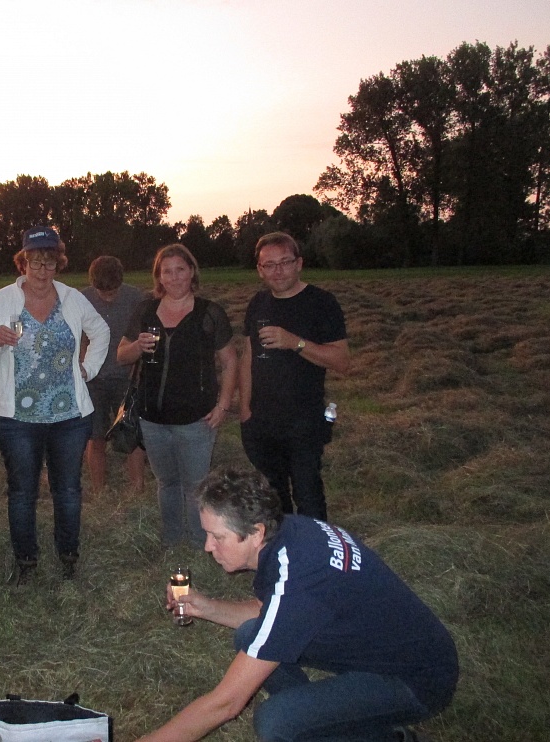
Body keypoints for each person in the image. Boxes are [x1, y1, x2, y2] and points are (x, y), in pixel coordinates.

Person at [139, 468, 459, 742]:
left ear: (256, 533)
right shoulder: (289, 532)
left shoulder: (302, 579)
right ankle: (319, 714)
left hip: (417, 681)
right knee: (250, 633)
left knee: (276, 721)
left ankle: (388, 737)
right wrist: (206, 607)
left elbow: (226, 704)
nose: (208, 547)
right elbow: (269, 613)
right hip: (376, 648)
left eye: (217, 537)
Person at [0, 226, 109, 584]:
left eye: (49, 263)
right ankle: (26, 561)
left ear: (58, 264)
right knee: (22, 492)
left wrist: (88, 368)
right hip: (17, 418)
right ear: (23, 263)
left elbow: (101, 331)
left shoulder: (72, 299)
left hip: (69, 416)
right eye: (35, 262)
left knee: (68, 490)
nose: (42, 271)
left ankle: (68, 556)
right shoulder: (3, 300)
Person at [117, 244, 236, 548]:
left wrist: (223, 405)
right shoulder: (145, 311)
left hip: (196, 418)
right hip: (152, 418)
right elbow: (121, 355)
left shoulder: (209, 313)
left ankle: (198, 542)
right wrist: (137, 347)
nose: (174, 277)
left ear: (192, 271)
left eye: (180, 269)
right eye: (167, 271)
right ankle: (171, 538)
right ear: (159, 276)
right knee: (166, 482)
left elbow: (230, 361)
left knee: (196, 485)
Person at [238, 232, 350, 521]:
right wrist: (245, 410)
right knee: (272, 496)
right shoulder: (258, 303)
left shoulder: (321, 303)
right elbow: (248, 356)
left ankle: (314, 545)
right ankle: (283, 544)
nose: (278, 271)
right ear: (260, 270)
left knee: (307, 493)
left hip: (304, 419)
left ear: (299, 263)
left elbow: (341, 361)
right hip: (261, 420)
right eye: (269, 265)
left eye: (285, 262)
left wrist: (295, 343)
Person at [81, 256, 146, 494]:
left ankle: (137, 489)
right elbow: (79, 338)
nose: (108, 297)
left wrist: (140, 374)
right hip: (93, 380)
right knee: (95, 436)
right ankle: (99, 492)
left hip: (127, 378)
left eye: (113, 291)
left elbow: (144, 340)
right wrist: (83, 369)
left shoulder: (137, 299)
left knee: (131, 434)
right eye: (103, 292)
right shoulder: (82, 300)